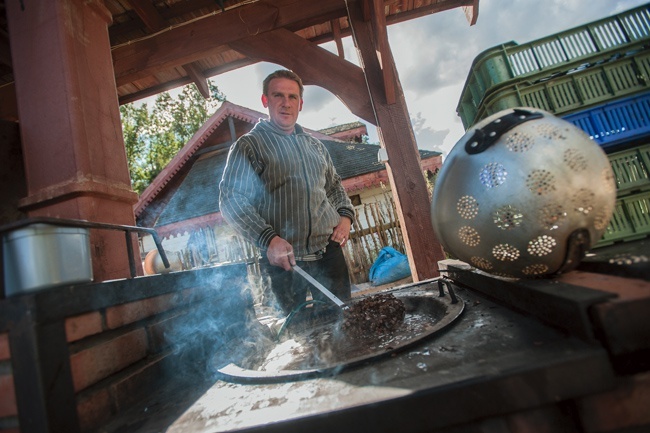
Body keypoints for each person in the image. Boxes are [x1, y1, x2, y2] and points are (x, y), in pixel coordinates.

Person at [219, 69, 355, 316]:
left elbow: (333, 186)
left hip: (328, 253)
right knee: (298, 338)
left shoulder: (314, 145)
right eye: (278, 95)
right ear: (265, 101)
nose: (286, 103)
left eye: (292, 97)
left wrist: (345, 217)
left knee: (343, 322)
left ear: (301, 104)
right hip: (283, 262)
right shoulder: (250, 145)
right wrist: (269, 240)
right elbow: (231, 199)